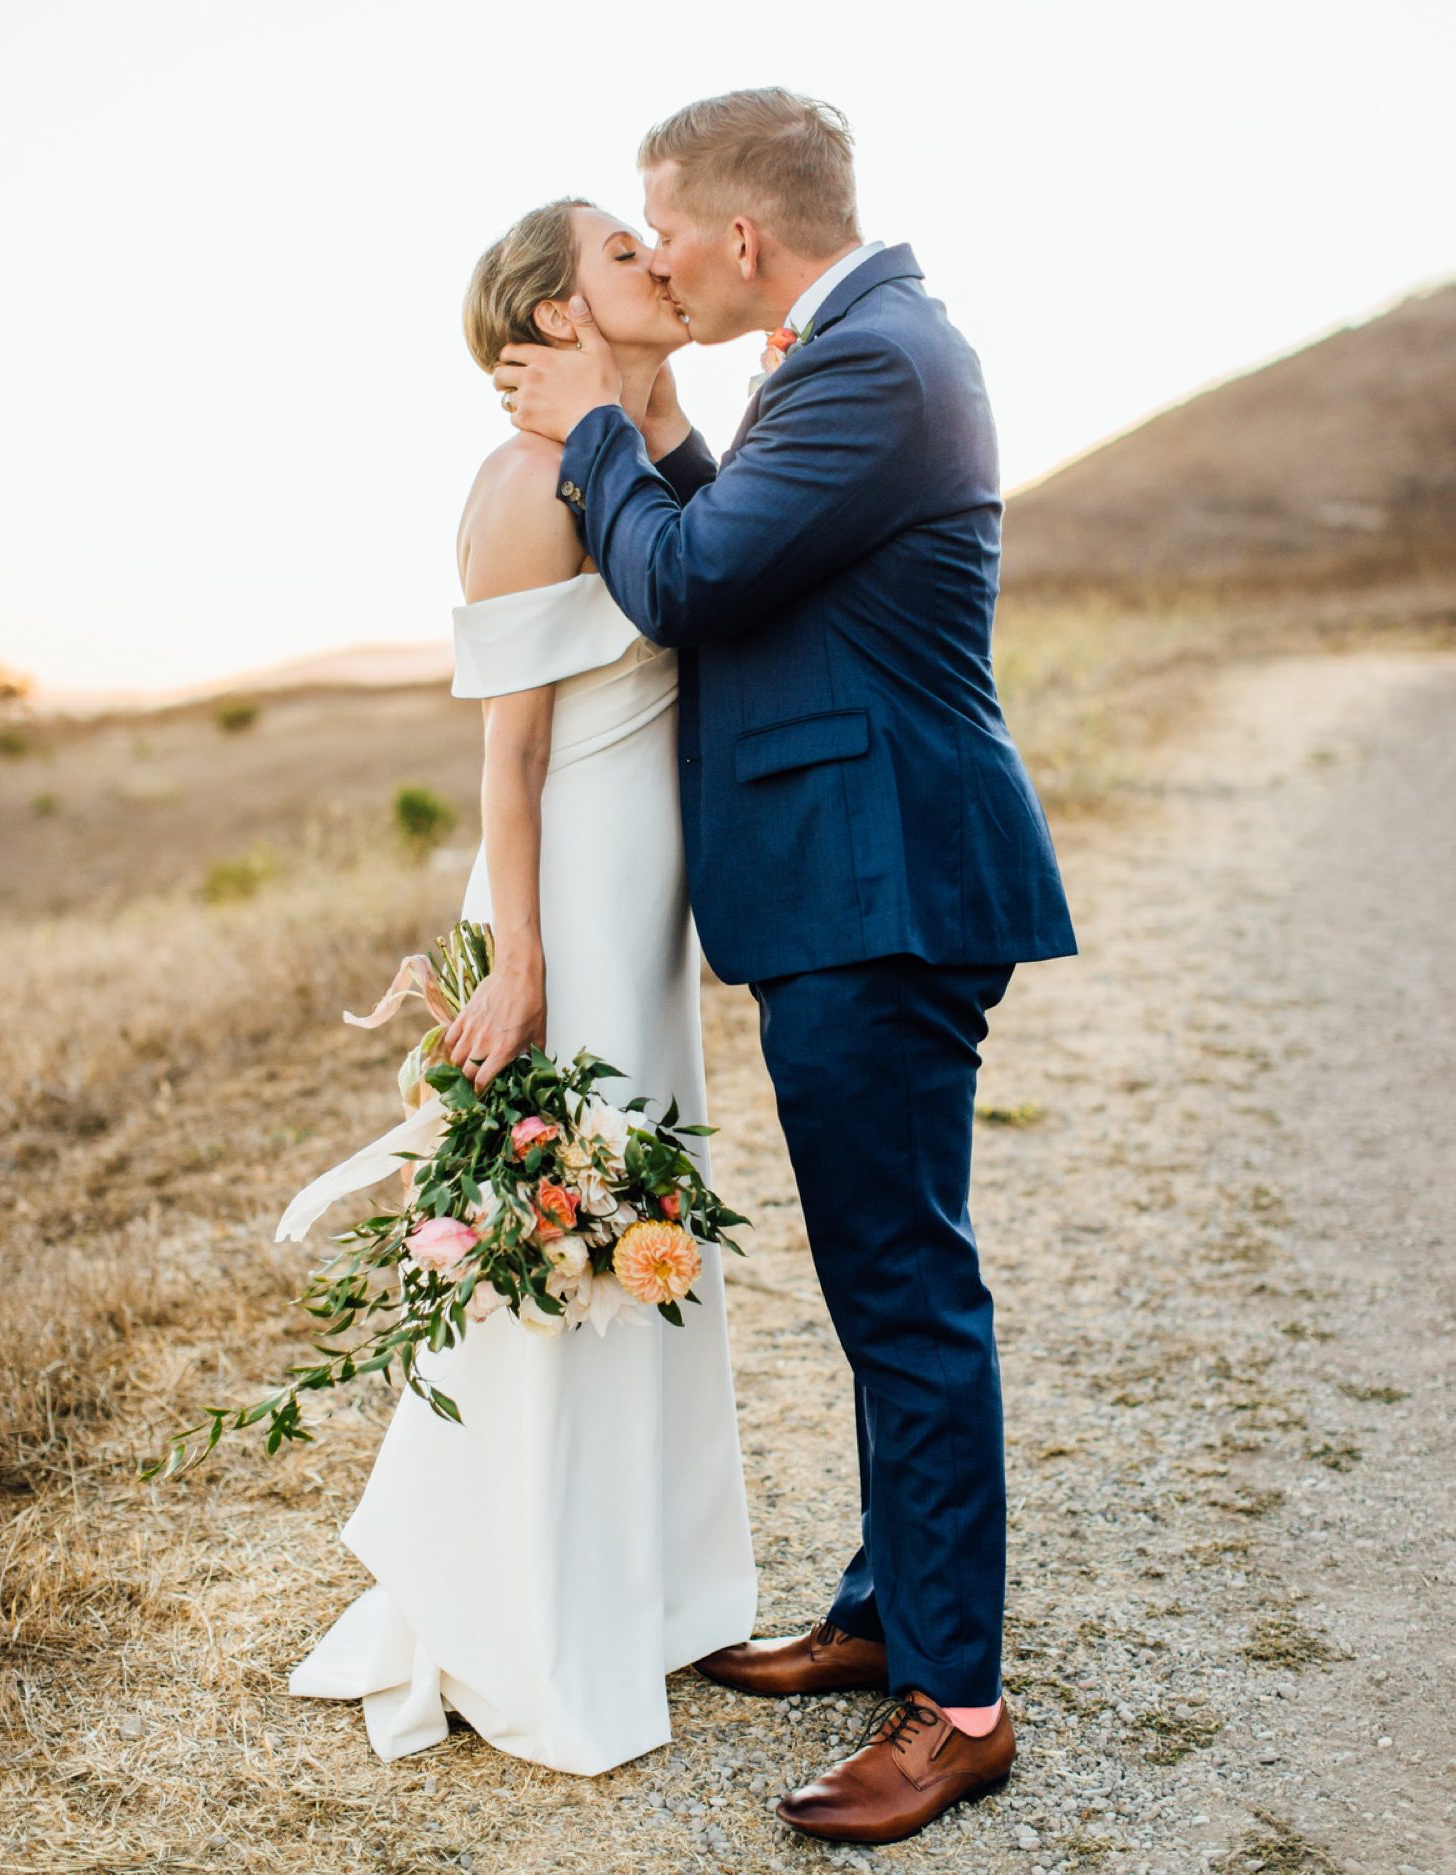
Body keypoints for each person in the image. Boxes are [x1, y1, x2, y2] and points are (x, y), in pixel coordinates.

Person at [493, 88, 1078, 1844]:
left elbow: (680, 588)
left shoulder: (875, 362)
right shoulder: (849, 354)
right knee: (885, 1279)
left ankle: (957, 1708)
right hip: (855, 885)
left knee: (905, 1292)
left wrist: (597, 429)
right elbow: (750, 566)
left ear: (741, 240)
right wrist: (651, 437)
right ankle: (888, 1611)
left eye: (663, 228)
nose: (655, 259)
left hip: (880, 890)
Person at [286, 198, 757, 1776]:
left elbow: (722, 562)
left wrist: (669, 405)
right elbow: (513, 751)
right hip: (562, 888)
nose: (660, 262)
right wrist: (528, 957)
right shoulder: (519, 482)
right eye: (625, 253)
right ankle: (520, 1606)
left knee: (646, 1215)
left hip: (649, 902)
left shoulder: (650, 463)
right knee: (558, 1219)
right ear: (557, 312)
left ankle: (651, 1586)